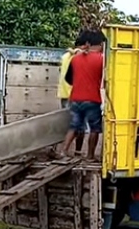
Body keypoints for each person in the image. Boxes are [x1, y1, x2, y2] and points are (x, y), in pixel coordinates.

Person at [58, 30, 105, 161]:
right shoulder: (102, 60)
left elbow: (69, 79)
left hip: (75, 98)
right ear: (101, 44)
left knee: (74, 126)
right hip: (92, 99)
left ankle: (63, 151)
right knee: (95, 128)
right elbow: (106, 79)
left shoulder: (75, 59)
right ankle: (90, 155)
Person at [57, 32, 88, 156]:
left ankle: (63, 150)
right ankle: (76, 151)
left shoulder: (65, 56)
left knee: (68, 124)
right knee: (80, 125)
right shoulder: (79, 56)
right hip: (76, 95)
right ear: (84, 45)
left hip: (64, 94)